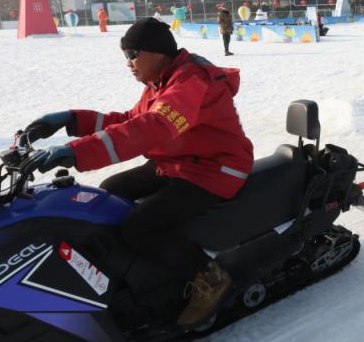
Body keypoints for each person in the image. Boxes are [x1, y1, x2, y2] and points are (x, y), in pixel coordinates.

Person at [21, 17, 254, 326]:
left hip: (216, 168)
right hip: (181, 162)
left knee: (140, 226)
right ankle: (129, 274)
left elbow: (154, 127)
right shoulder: (161, 82)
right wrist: (71, 120)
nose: (128, 63)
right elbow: (130, 120)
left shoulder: (190, 81)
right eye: (125, 55)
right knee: (106, 193)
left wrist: (75, 152)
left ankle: (209, 276)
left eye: (132, 54)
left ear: (157, 53)